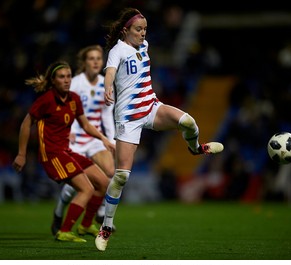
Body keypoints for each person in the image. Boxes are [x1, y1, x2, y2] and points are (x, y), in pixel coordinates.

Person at [94, 7, 224, 251]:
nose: (143, 33)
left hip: (151, 107)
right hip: (128, 118)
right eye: (138, 29)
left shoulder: (144, 46)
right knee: (121, 176)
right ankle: (107, 225)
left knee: (188, 121)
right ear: (126, 30)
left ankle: (196, 148)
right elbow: (110, 72)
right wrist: (108, 87)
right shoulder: (117, 50)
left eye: (145, 29)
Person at [12, 60, 115, 243]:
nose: (66, 80)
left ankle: (85, 225)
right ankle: (64, 230)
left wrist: (103, 139)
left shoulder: (74, 99)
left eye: (68, 76)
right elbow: (26, 123)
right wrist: (21, 154)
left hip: (66, 151)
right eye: (62, 77)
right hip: (52, 155)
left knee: (102, 183)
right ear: (53, 80)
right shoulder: (46, 101)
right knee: (87, 189)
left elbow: (84, 124)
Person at [51, 45, 117, 237]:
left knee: (111, 171)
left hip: (94, 139)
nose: (96, 61)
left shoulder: (106, 83)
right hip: (76, 139)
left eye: (98, 58)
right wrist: (68, 131)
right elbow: (64, 109)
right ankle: (58, 211)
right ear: (84, 62)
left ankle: (101, 211)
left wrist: (110, 140)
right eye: (91, 58)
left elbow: (107, 114)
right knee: (77, 185)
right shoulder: (76, 83)